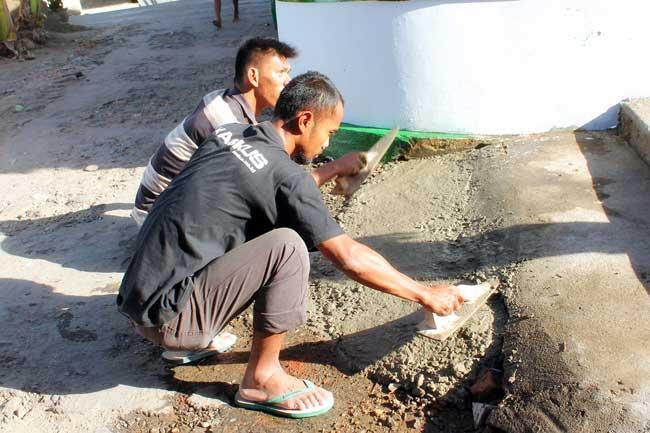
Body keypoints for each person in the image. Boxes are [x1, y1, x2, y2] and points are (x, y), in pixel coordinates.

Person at [117, 72, 464, 418]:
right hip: (171, 321)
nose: (328, 144)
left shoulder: (229, 134)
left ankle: (191, 338)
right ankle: (261, 378)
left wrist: (333, 170)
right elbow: (348, 256)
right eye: (329, 133)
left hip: (140, 296)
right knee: (287, 245)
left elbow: (266, 183)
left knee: (247, 226)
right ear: (305, 120)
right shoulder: (290, 180)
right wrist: (424, 293)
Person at [131, 37, 297, 228]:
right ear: (253, 76)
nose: (288, 81)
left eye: (288, 72)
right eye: (281, 72)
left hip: (159, 205)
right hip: (158, 218)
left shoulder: (223, 98)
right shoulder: (226, 123)